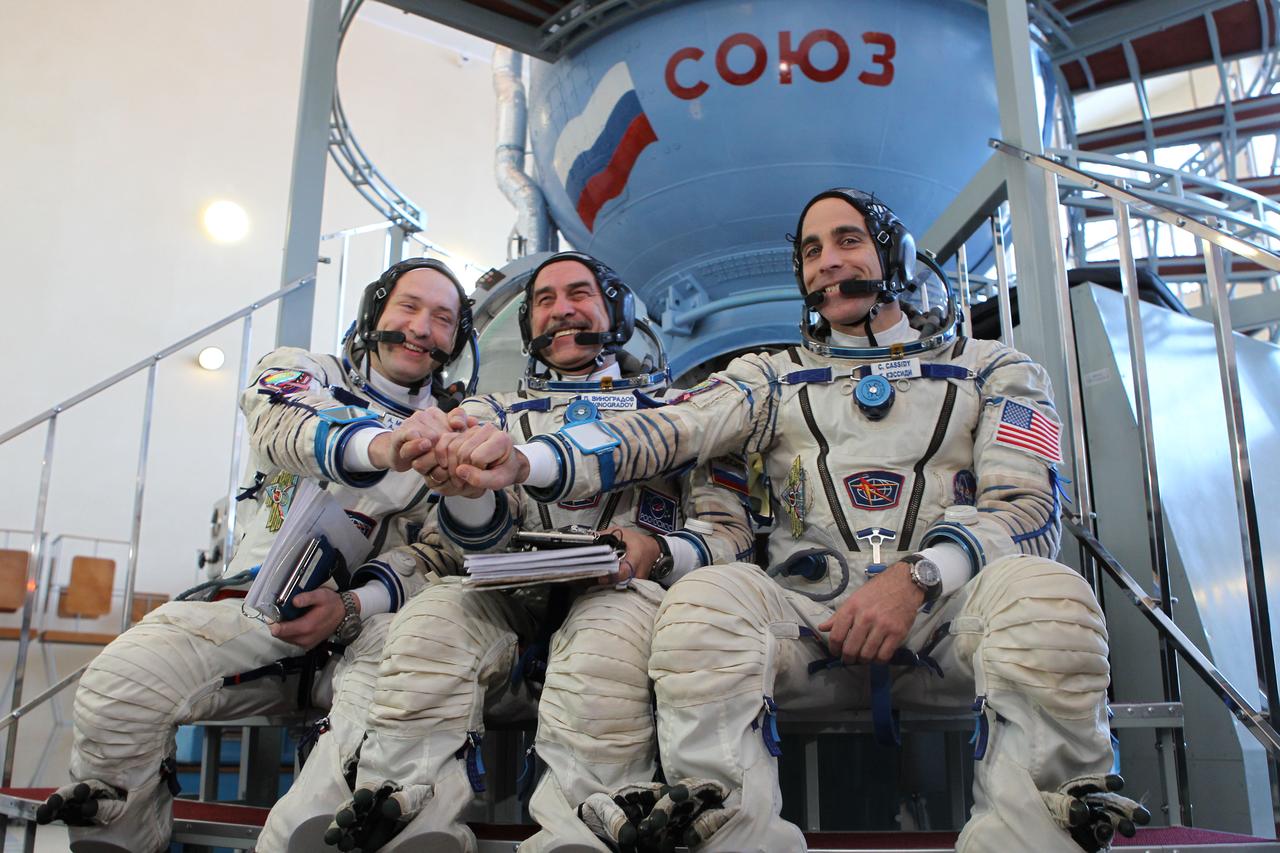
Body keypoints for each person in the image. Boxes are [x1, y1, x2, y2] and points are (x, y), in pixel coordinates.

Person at [431, 192, 1151, 852]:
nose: (829, 261)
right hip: (809, 622)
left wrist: (918, 577)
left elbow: (1025, 510)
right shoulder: (768, 377)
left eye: (847, 241)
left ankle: (1033, 833)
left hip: (951, 613)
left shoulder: (998, 370)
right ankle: (729, 825)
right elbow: (667, 428)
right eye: (812, 251)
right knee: (704, 603)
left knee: (1048, 595)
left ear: (892, 255)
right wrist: (525, 461)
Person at [37, 258, 476, 853]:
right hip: (256, 609)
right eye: (409, 307)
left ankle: (305, 835)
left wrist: (351, 602)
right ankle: (120, 824)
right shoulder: (301, 372)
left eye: (442, 318)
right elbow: (284, 428)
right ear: (376, 312)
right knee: (123, 680)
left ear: (455, 339)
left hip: (375, 623)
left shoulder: (461, 429)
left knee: (390, 702)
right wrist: (384, 445)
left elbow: (438, 552)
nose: (423, 327)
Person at [322, 251, 753, 853]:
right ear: (528, 327)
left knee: (604, 636)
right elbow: (453, 546)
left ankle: (591, 824)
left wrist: (656, 551)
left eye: (579, 294)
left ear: (620, 314)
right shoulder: (484, 416)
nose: (562, 311)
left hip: (626, 595)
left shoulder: (683, 415)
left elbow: (730, 534)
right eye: (545, 301)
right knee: (428, 621)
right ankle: (399, 812)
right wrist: (468, 492)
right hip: (507, 596)